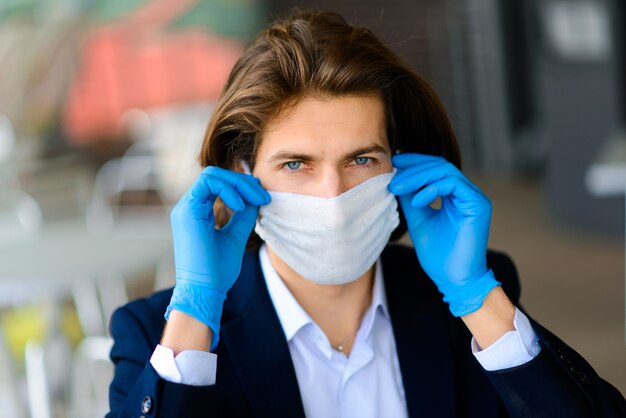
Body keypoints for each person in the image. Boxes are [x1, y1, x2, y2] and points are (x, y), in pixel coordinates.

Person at [106, 10, 626, 418]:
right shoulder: (153, 333)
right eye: (296, 164)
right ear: (241, 171)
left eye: (360, 159)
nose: (332, 195)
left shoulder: (466, 308)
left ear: (401, 165)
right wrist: (196, 312)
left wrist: (475, 295)